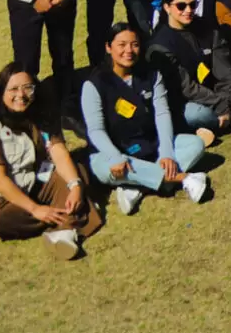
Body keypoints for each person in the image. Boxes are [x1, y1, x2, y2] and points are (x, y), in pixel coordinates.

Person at [0, 64, 101, 254]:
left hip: (32, 182)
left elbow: (58, 151)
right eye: (13, 89)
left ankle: (64, 228)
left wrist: (75, 185)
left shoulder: (41, 113)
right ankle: (70, 218)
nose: (21, 94)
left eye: (28, 87)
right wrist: (35, 209)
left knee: (75, 172)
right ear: (1, 91)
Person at [78, 21, 209, 212]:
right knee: (100, 166)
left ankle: (136, 186)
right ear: (108, 47)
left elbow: (162, 114)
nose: (129, 50)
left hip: (151, 146)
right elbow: (95, 130)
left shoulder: (152, 75)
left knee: (195, 145)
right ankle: (184, 179)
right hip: (118, 153)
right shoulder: (94, 84)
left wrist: (166, 153)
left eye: (135, 44)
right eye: (121, 45)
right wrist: (115, 156)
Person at [150, 0, 231, 136]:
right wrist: (220, 104)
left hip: (213, 90)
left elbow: (224, 71)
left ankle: (221, 122)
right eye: (181, 6)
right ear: (167, 7)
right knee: (197, 114)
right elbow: (186, 88)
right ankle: (219, 120)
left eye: (192, 5)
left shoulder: (208, 30)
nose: (188, 10)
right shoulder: (160, 44)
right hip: (186, 100)